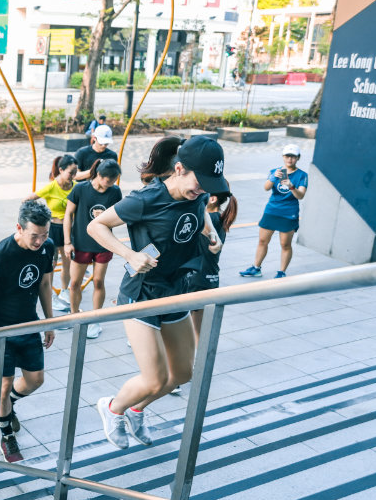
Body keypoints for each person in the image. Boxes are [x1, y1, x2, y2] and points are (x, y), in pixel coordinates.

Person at [87, 135, 225, 450]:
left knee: (181, 374)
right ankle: (113, 408)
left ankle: (137, 409)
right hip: (142, 294)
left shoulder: (197, 194)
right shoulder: (146, 199)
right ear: (178, 169)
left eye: (207, 184)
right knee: (154, 379)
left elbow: (200, 208)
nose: (202, 190)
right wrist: (129, 255)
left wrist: (210, 232)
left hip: (176, 290)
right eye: (198, 181)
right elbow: (96, 226)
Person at [0, 200, 56, 463]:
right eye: (34, 236)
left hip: (28, 323)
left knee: (35, 380)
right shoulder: (0, 254)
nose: (40, 241)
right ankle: (6, 435)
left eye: (45, 235)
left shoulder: (47, 247)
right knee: (3, 387)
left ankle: (8, 407)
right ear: (19, 227)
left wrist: (49, 322)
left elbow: (45, 283)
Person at [63, 158, 123, 338]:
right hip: (81, 242)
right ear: (99, 175)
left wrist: (105, 216)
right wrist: (67, 242)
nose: (110, 185)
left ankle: (96, 319)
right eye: (108, 181)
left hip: (104, 243)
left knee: (98, 281)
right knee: (74, 283)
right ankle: (74, 315)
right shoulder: (80, 188)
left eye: (113, 182)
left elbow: (118, 218)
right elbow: (68, 215)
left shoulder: (115, 191)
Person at [239, 144, 308, 279]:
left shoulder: (302, 175)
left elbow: (300, 195)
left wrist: (291, 186)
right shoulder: (275, 171)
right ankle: (256, 268)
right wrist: (273, 178)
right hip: (272, 210)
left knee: (285, 244)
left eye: (293, 156)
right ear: (283, 157)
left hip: (289, 212)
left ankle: (281, 272)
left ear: (298, 158)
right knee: (262, 241)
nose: (290, 159)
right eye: (287, 156)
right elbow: (266, 188)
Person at [27, 154, 77, 312]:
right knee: (51, 263)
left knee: (68, 261)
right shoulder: (52, 186)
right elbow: (28, 199)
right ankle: (49, 293)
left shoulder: (76, 186)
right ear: (61, 170)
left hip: (69, 228)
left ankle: (64, 291)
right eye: (70, 172)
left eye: (75, 172)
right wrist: (36, 219)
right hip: (53, 228)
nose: (73, 176)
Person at [189, 188, 237, 335]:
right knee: (199, 330)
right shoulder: (219, 218)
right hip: (209, 277)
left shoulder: (210, 220)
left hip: (197, 278)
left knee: (194, 330)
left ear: (212, 199)